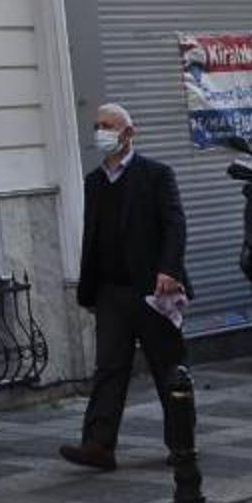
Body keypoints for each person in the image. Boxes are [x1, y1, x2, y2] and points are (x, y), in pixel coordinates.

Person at [61, 98, 191, 468]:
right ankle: (98, 445)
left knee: (168, 368)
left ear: (128, 132)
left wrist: (169, 269)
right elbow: (92, 237)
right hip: (111, 292)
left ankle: (181, 443)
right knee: (109, 368)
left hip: (153, 290)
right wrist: (89, 289)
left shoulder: (156, 175)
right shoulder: (94, 182)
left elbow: (175, 224)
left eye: (108, 126)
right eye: (97, 126)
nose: (100, 133)